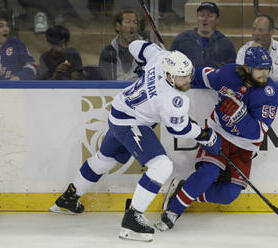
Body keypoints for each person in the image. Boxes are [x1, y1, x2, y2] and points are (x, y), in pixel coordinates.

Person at [50, 40, 221, 242]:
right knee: (161, 165)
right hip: (131, 122)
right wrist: (205, 135)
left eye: (188, 75)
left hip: (118, 113)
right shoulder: (173, 100)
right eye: (180, 77)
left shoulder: (160, 59)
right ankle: (133, 220)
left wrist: (144, 59)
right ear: (168, 75)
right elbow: (179, 128)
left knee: (104, 160)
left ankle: (67, 200)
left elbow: (135, 45)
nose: (187, 80)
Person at [154, 46, 278, 231]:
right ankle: (173, 212)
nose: (265, 74)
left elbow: (257, 134)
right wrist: (171, 77)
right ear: (246, 67)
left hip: (244, 146)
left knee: (228, 195)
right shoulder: (228, 74)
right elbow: (199, 76)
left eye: (267, 69)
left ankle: (185, 189)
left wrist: (240, 116)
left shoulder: (269, 94)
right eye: (260, 69)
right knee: (209, 173)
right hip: (218, 133)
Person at [170, 1, 236, 68]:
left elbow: (230, 71)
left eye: (210, 16)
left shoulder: (226, 44)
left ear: (217, 19)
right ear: (197, 18)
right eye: (202, 15)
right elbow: (170, 64)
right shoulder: (182, 39)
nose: (205, 19)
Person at [236, 14, 278, 81]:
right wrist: (271, 66)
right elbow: (242, 75)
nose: (255, 33)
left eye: (260, 30)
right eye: (254, 29)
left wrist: (256, 65)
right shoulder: (244, 50)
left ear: (271, 32)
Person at [99, 10, 141, 80]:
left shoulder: (146, 51)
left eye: (135, 22)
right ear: (118, 26)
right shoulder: (108, 52)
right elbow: (105, 82)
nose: (132, 26)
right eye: (128, 22)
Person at [0, 9, 36, 80]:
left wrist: (19, 77)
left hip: (15, 89)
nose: (6, 29)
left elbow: (32, 66)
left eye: (7, 26)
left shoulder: (16, 44)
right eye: (1, 26)